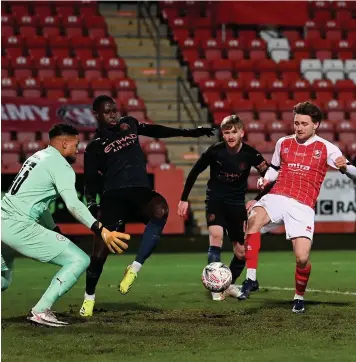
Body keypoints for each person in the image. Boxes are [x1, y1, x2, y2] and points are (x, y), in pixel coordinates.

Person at [80, 95, 215, 317]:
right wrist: (92, 204)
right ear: (96, 115)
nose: (113, 114)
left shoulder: (130, 124)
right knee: (98, 255)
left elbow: (157, 131)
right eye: (107, 111)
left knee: (161, 209)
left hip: (139, 193)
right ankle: (89, 297)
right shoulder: (94, 146)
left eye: (114, 109)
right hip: (113, 198)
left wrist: (190, 133)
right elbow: (89, 182)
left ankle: (134, 268)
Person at [1, 124, 130, 327]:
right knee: (79, 259)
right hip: (18, 225)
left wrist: (54, 231)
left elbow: (40, 205)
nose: (78, 149)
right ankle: (40, 310)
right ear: (64, 143)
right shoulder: (60, 165)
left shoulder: (37, 157)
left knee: (4, 281)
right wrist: (100, 228)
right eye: (76, 145)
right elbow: (73, 204)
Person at [238, 101, 356, 313]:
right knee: (253, 220)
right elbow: (274, 169)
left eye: (304, 123)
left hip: (302, 204)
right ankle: (251, 279)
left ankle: (298, 297)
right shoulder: (283, 143)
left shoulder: (327, 148)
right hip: (278, 195)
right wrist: (265, 179)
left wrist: (346, 168)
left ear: (316, 125)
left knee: (302, 258)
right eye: (296, 123)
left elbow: (353, 171)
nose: (299, 127)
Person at [177, 115, 269, 301]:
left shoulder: (251, 154)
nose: (230, 136)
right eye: (226, 133)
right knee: (216, 237)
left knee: (241, 252)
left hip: (236, 205)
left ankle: (226, 284)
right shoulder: (215, 151)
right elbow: (195, 172)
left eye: (233, 132)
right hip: (215, 201)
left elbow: (270, 177)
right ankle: (215, 288)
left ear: (242, 132)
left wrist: (257, 199)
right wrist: (184, 199)